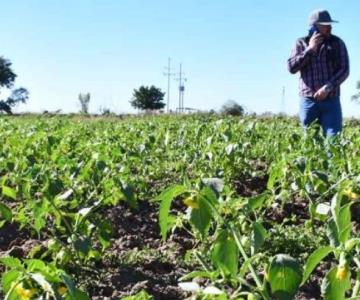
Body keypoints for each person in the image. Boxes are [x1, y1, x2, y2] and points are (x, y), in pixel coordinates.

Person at [287, 9, 350, 137]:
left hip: (331, 100)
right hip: (308, 101)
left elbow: (344, 69)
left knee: (334, 140)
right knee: (310, 141)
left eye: (329, 24)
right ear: (314, 27)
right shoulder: (300, 43)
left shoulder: (337, 43)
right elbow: (291, 68)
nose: (330, 27)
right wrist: (310, 49)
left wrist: (327, 87)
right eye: (325, 25)